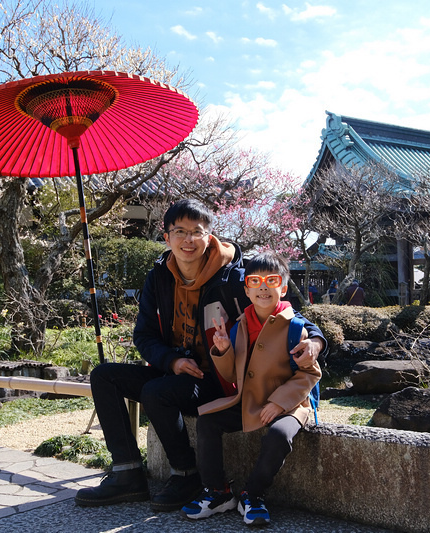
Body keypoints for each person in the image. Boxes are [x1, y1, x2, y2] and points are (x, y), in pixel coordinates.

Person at [75, 199, 326, 512]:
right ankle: (127, 474)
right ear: (166, 237)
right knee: (104, 376)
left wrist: (315, 340)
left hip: (215, 378)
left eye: (197, 231)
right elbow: (144, 335)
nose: (188, 240)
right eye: (179, 231)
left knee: (158, 391)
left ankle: (186, 474)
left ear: (211, 237)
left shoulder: (232, 277)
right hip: (177, 370)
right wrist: (172, 361)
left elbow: (281, 310)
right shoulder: (159, 276)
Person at [180, 252, 323, 526]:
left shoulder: (295, 326)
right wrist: (223, 351)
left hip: (290, 404)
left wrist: (280, 403)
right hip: (249, 400)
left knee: (280, 434)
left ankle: (253, 494)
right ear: (246, 289)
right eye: (255, 281)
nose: (263, 287)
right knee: (208, 422)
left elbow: (310, 373)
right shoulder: (239, 326)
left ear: (283, 287)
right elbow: (232, 374)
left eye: (272, 280)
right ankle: (218, 491)